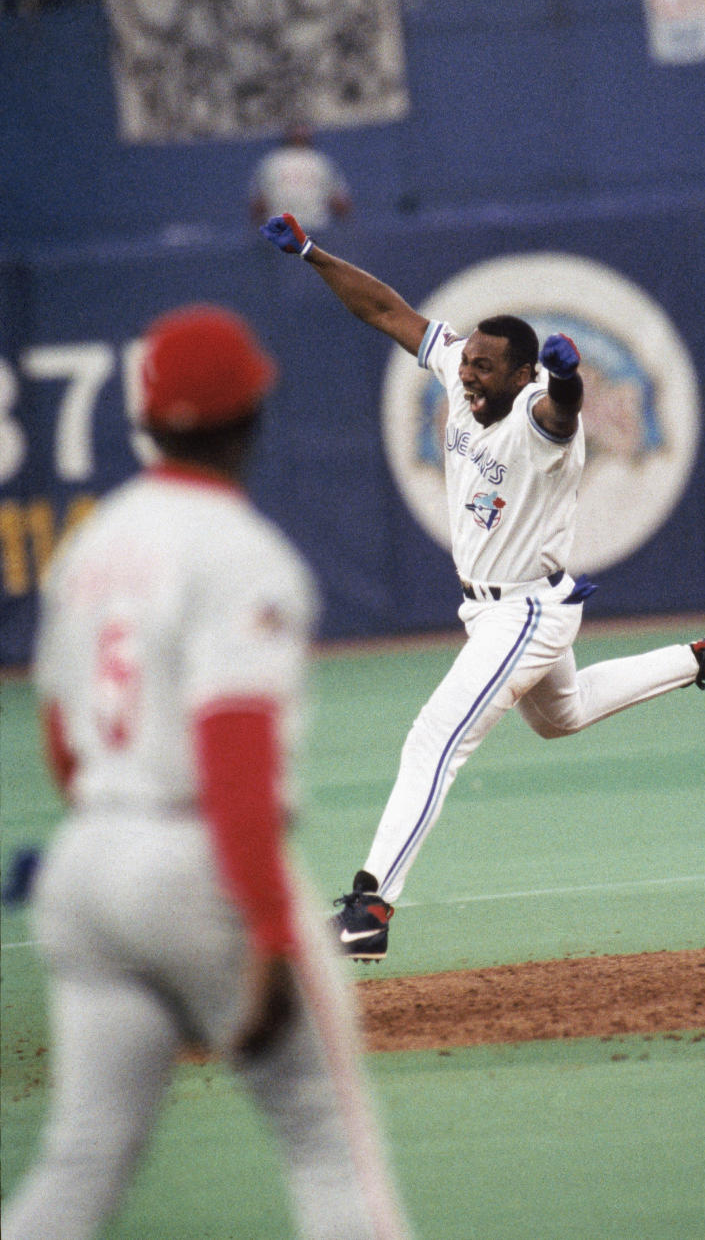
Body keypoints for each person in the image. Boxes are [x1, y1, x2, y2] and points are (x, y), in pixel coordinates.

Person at [1, 304, 409, 1240]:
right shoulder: (242, 553)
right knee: (327, 1147)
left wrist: (115, 838)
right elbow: (234, 755)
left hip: (85, 869)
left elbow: (63, 740)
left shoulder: (91, 545)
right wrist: (266, 926)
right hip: (197, 869)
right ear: (253, 416)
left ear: (146, 420)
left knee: (78, 1165)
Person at [260, 211, 705, 962]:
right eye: (468, 365)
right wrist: (311, 253)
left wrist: (566, 375)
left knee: (435, 738)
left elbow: (565, 410)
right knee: (560, 716)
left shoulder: (539, 417)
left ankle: (370, 909)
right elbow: (385, 310)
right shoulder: (462, 372)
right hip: (493, 607)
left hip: (524, 612)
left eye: (485, 370)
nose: (468, 377)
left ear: (521, 376)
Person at [251, 123, 353, 238]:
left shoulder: (270, 163)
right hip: (315, 228)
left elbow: (258, 205)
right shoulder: (320, 162)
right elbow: (340, 204)